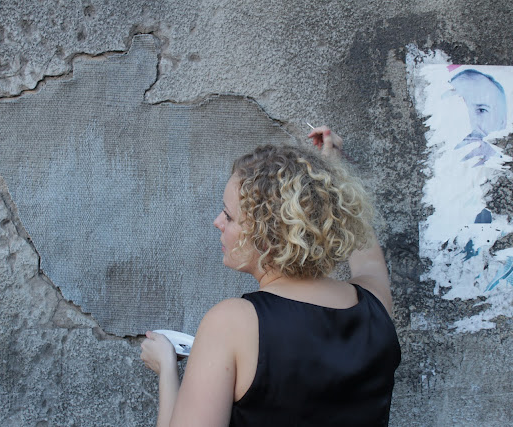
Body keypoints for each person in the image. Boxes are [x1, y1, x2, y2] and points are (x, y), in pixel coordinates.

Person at [140, 126, 401, 426]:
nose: (217, 222)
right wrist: (332, 172)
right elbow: (368, 259)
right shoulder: (375, 304)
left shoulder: (231, 323)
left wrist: (167, 370)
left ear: (267, 235)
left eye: (229, 216)